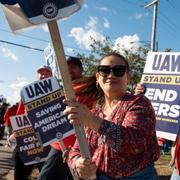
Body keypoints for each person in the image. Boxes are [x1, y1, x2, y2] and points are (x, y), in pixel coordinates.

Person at [64, 52, 160, 180]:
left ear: (128, 77)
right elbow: (76, 149)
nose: (111, 75)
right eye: (105, 70)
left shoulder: (139, 103)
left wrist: (92, 121)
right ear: (98, 77)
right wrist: (77, 163)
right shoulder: (94, 111)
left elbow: (135, 142)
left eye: (119, 70)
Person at [38, 56, 86, 180]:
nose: (69, 70)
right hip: (60, 144)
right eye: (66, 67)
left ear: (81, 69)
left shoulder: (90, 88)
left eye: (73, 67)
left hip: (79, 147)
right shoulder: (59, 90)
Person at [9, 65, 52, 180]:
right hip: (27, 140)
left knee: (47, 174)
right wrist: (15, 133)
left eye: (46, 73)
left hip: (48, 142)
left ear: (51, 76)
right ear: (37, 76)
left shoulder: (57, 93)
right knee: (20, 173)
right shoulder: (27, 93)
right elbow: (20, 115)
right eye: (41, 73)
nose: (43, 75)